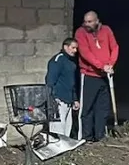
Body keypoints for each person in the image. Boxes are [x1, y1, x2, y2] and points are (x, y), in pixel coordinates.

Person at [75, 11, 119, 142]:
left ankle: (100, 136)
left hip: (104, 76)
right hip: (89, 75)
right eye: (85, 22)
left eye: (90, 22)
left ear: (97, 21)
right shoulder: (80, 33)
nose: (87, 24)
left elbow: (115, 47)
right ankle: (86, 138)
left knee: (102, 108)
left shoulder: (106, 30)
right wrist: (101, 66)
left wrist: (110, 64)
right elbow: (85, 53)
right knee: (87, 108)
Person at [46, 37, 80, 137]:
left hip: (68, 100)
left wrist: (75, 99)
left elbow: (71, 82)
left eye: (76, 48)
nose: (75, 51)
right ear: (66, 47)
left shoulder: (71, 63)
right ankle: (57, 149)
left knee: (67, 128)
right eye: (73, 48)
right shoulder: (57, 60)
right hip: (59, 100)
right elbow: (50, 80)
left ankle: (65, 149)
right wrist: (52, 98)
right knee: (58, 129)